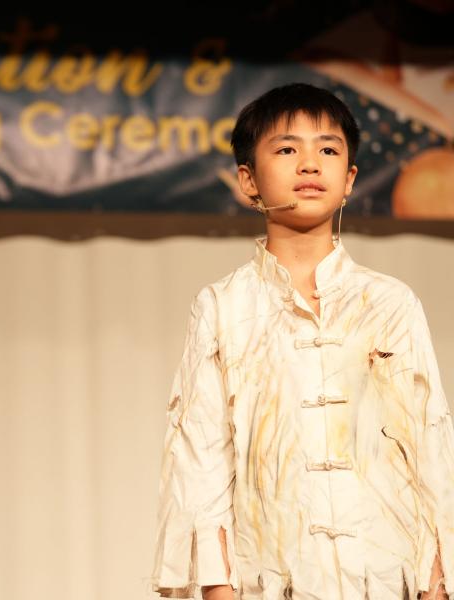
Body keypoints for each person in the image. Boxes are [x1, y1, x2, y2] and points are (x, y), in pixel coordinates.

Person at [152, 83, 453, 599]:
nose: (310, 164)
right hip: (271, 580)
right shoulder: (224, 307)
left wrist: (437, 584)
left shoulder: (391, 303)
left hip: (383, 579)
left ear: (350, 179)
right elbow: (202, 459)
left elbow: (430, 447)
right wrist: (219, 590)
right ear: (249, 180)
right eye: (287, 149)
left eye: (328, 150)